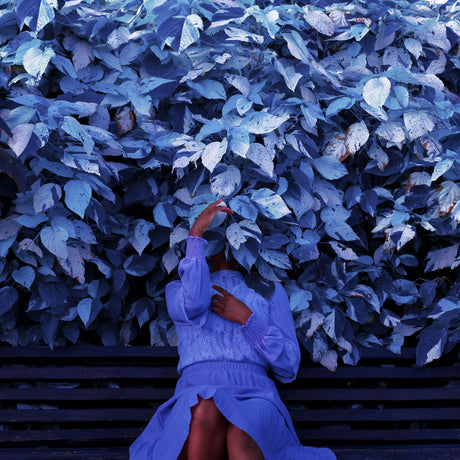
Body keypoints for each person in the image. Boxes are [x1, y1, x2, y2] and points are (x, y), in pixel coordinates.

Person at [129, 200, 336, 460]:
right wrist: (195, 238)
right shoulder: (179, 288)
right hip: (197, 393)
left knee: (242, 427)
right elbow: (195, 303)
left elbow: (288, 367)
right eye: (210, 229)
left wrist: (248, 319)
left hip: (255, 395)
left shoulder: (269, 288)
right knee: (205, 404)